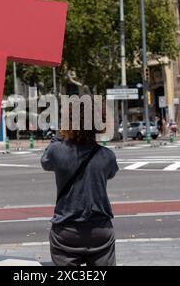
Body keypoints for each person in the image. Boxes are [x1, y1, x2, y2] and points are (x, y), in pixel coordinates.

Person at [40, 105, 119, 266]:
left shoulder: (56, 151)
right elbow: (110, 174)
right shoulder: (107, 155)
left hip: (66, 231)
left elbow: (45, 163)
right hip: (100, 230)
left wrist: (60, 135)